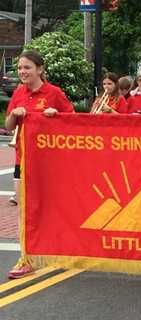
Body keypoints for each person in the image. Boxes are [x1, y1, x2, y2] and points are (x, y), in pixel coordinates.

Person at [5, 50, 74, 279]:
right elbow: (8, 126)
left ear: (40, 69)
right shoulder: (18, 93)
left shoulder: (53, 93)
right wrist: (15, 114)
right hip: (22, 160)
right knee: (25, 211)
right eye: (20, 68)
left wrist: (56, 115)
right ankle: (26, 258)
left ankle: (61, 248)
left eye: (27, 68)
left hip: (49, 163)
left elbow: (72, 119)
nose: (23, 72)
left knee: (51, 208)